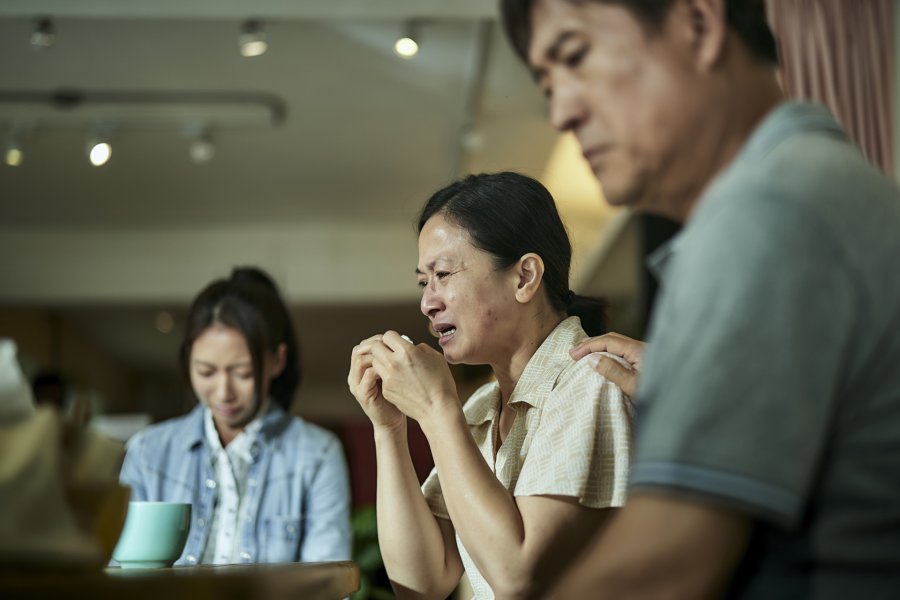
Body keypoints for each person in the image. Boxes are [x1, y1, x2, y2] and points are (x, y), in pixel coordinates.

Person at [501, 0, 900, 597]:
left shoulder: (767, 209)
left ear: (698, 25)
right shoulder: (821, 182)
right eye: (548, 86)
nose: (561, 112)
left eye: (576, 57)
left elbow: (665, 566)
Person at [348, 171, 633, 599]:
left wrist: (435, 409)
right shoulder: (482, 406)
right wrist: (388, 428)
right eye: (424, 282)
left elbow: (519, 576)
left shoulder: (592, 380)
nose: (427, 302)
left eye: (444, 274)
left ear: (524, 277)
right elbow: (422, 583)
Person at [120, 267, 352, 565]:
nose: (223, 392)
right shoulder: (147, 453)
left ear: (277, 361)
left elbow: (327, 581)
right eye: (206, 372)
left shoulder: (317, 455)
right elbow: (120, 570)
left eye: (242, 373)